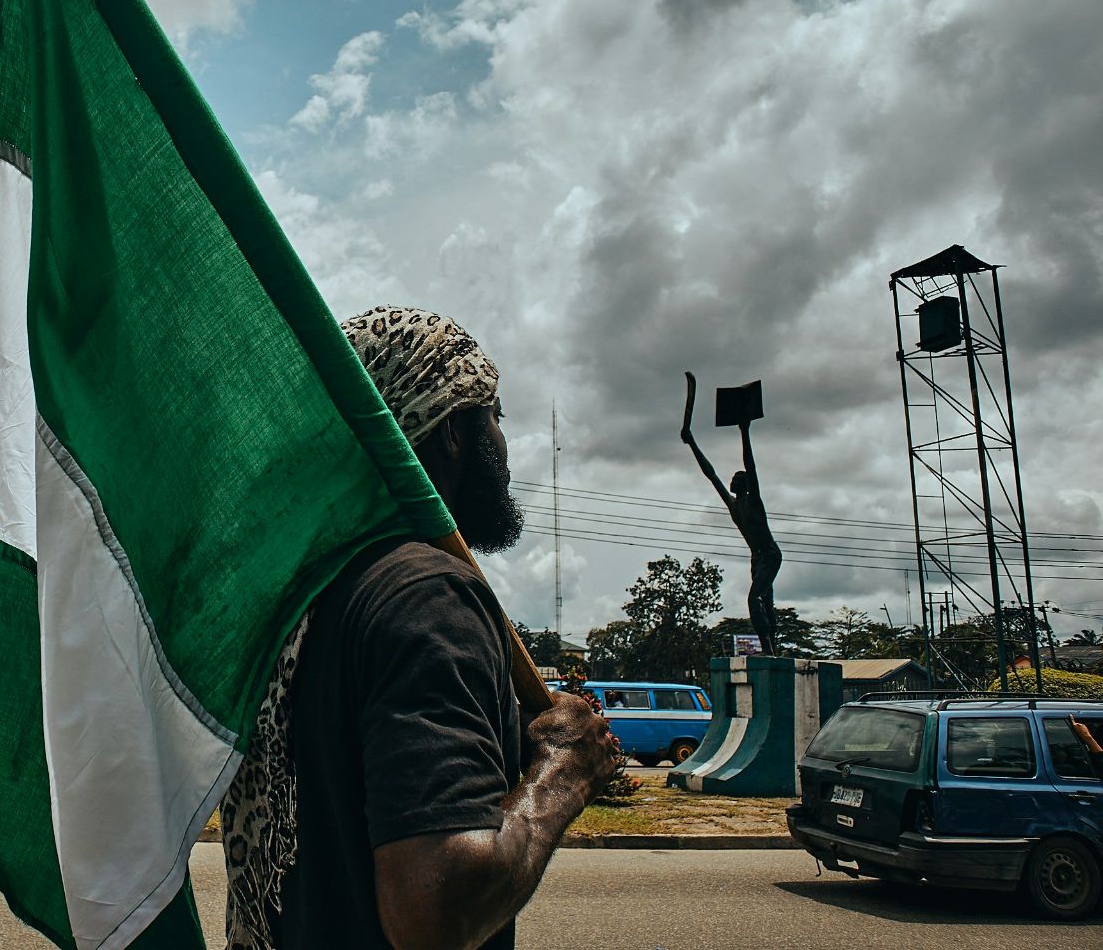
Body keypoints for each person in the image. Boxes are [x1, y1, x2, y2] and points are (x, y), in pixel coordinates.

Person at [222, 305, 617, 950]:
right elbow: (434, 911)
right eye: (493, 414)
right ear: (452, 429)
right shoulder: (426, 597)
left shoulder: (304, 598)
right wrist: (562, 770)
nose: (502, 442)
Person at [680, 373, 783, 655]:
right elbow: (710, 473)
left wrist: (744, 431)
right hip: (756, 557)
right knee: (766, 601)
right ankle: (772, 646)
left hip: (770, 554)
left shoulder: (754, 501)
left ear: (746, 483)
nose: (732, 479)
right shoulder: (733, 504)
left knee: (755, 600)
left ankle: (768, 649)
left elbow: (749, 462)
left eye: (738, 477)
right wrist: (692, 444)